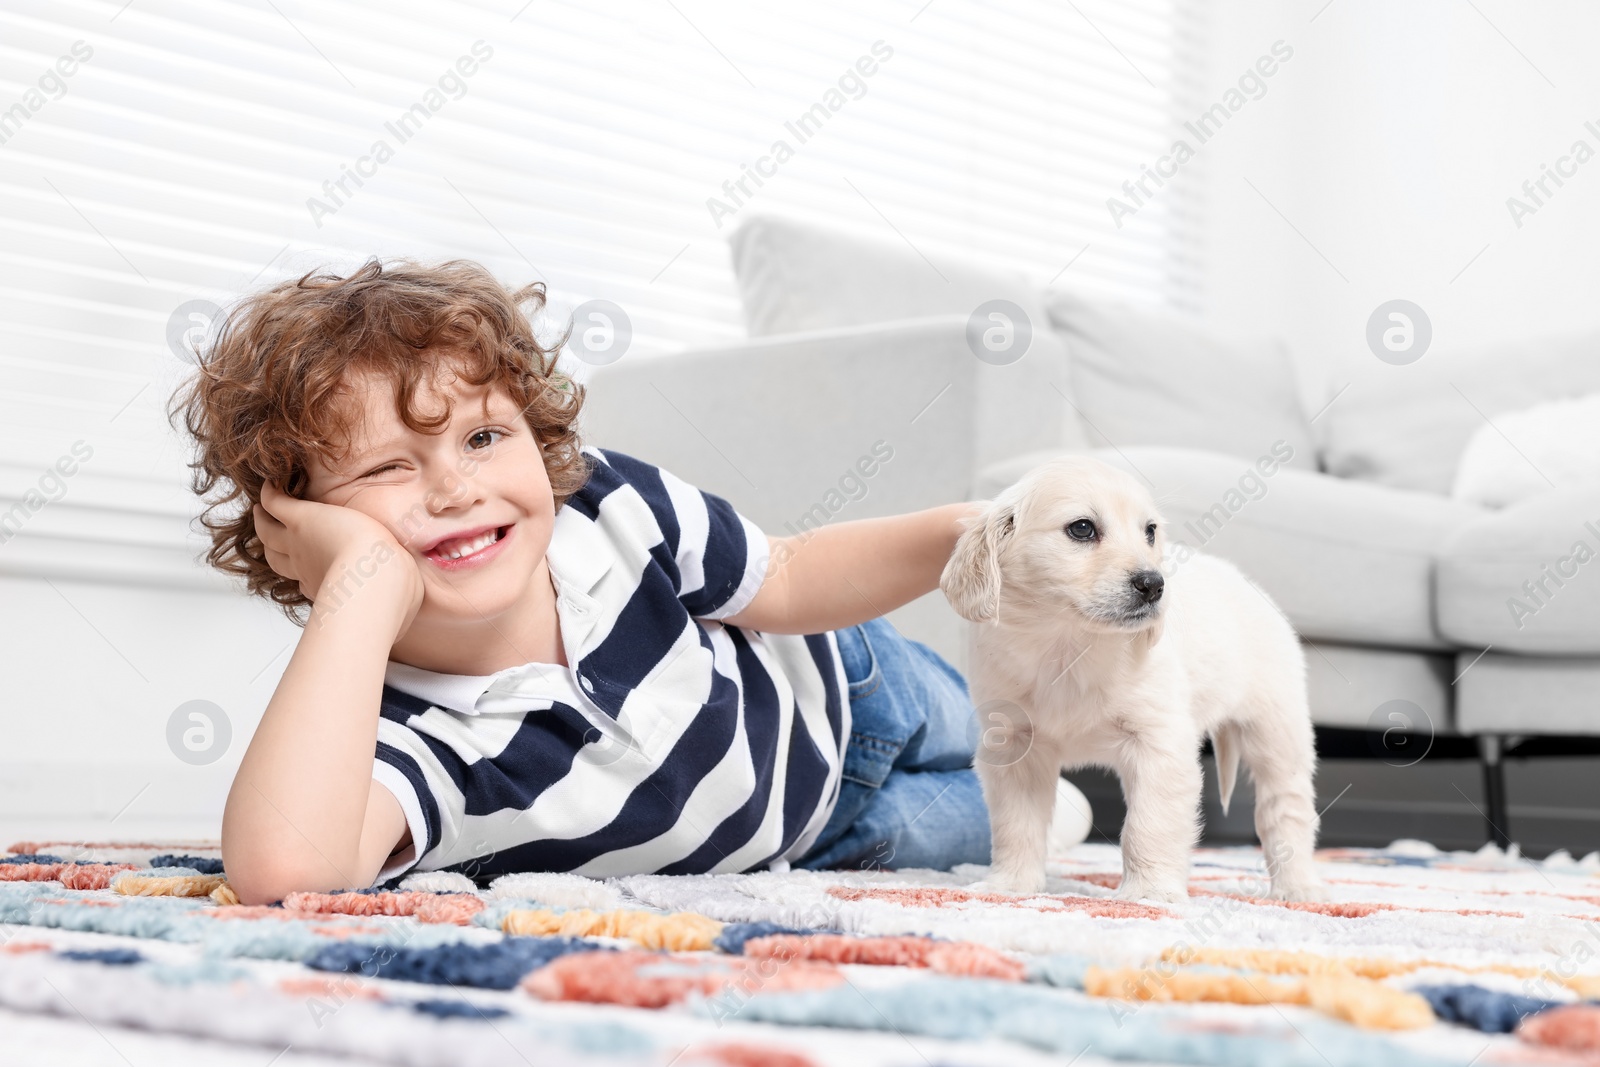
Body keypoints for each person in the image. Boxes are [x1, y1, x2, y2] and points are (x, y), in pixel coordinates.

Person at [170, 257, 1089, 905]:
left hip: (853, 681)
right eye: (387, 469)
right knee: (1045, 811)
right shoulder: (402, 740)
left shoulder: (606, 503)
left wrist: (964, 535)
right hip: (820, 835)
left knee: (1023, 719)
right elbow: (284, 867)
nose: (457, 488)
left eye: (485, 436)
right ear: (298, 527)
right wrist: (360, 593)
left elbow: (791, 573)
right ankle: (1093, 788)